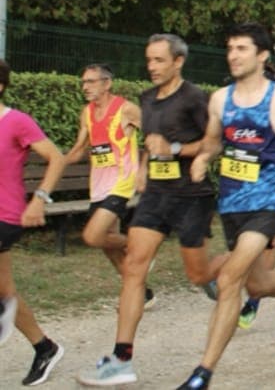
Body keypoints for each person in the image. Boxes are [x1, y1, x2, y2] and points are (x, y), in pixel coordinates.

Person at [79, 34, 224, 387]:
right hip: (157, 195)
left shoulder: (194, 97)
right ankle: (121, 360)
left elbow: (214, 142)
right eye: (149, 60)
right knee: (133, 269)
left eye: (159, 60)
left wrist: (174, 149)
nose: (152, 67)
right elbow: (150, 142)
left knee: (197, 273)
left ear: (178, 61)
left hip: (191, 196)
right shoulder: (146, 99)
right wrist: (144, 167)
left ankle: (232, 269)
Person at [174, 23, 275, 388]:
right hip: (233, 203)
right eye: (230, 48)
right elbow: (213, 140)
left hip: (269, 203)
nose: (233, 55)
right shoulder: (220, 99)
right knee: (260, 284)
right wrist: (204, 158)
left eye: (241, 49)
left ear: (262, 55)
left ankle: (202, 374)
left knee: (230, 277)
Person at [0, 59, 68, 386]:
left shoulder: (17, 122)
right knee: (5, 290)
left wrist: (40, 198)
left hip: (6, 213)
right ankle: (45, 348)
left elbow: (56, 157)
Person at [63, 64, 145, 301]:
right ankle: (143, 293)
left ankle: (142, 247)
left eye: (91, 82)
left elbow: (155, 136)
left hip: (122, 183)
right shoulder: (87, 112)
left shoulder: (127, 109)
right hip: (98, 186)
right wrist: (57, 162)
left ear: (107, 83)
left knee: (93, 236)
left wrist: (145, 168)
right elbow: (79, 148)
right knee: (109, 247)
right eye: (83, 82)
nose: (85, 87)